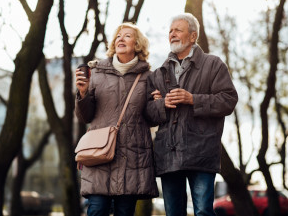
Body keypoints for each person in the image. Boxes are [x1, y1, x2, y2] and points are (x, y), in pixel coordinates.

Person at [145, 13, 238, 216]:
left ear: (193, 36)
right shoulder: (158, 73)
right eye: (170, 31)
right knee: (173, 213)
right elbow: (148, 114)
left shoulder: (213, 65)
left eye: (178, 30)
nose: (172, 34)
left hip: (202, 152)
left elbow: (229, 100)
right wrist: (162, 104)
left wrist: (193, 99)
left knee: (203, 212)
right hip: (168, 153)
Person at [75, 22, 159, 216]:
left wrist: (159, 103)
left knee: (124, 211)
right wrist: (82, 93)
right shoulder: (95, 73)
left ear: (137, 44)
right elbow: (85, 116)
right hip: (99, 155)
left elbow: (153, 118)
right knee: (97, 209)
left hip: (132, 158)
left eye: (127, 36)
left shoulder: (149, 77)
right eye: (118, 36)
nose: (121, 38)